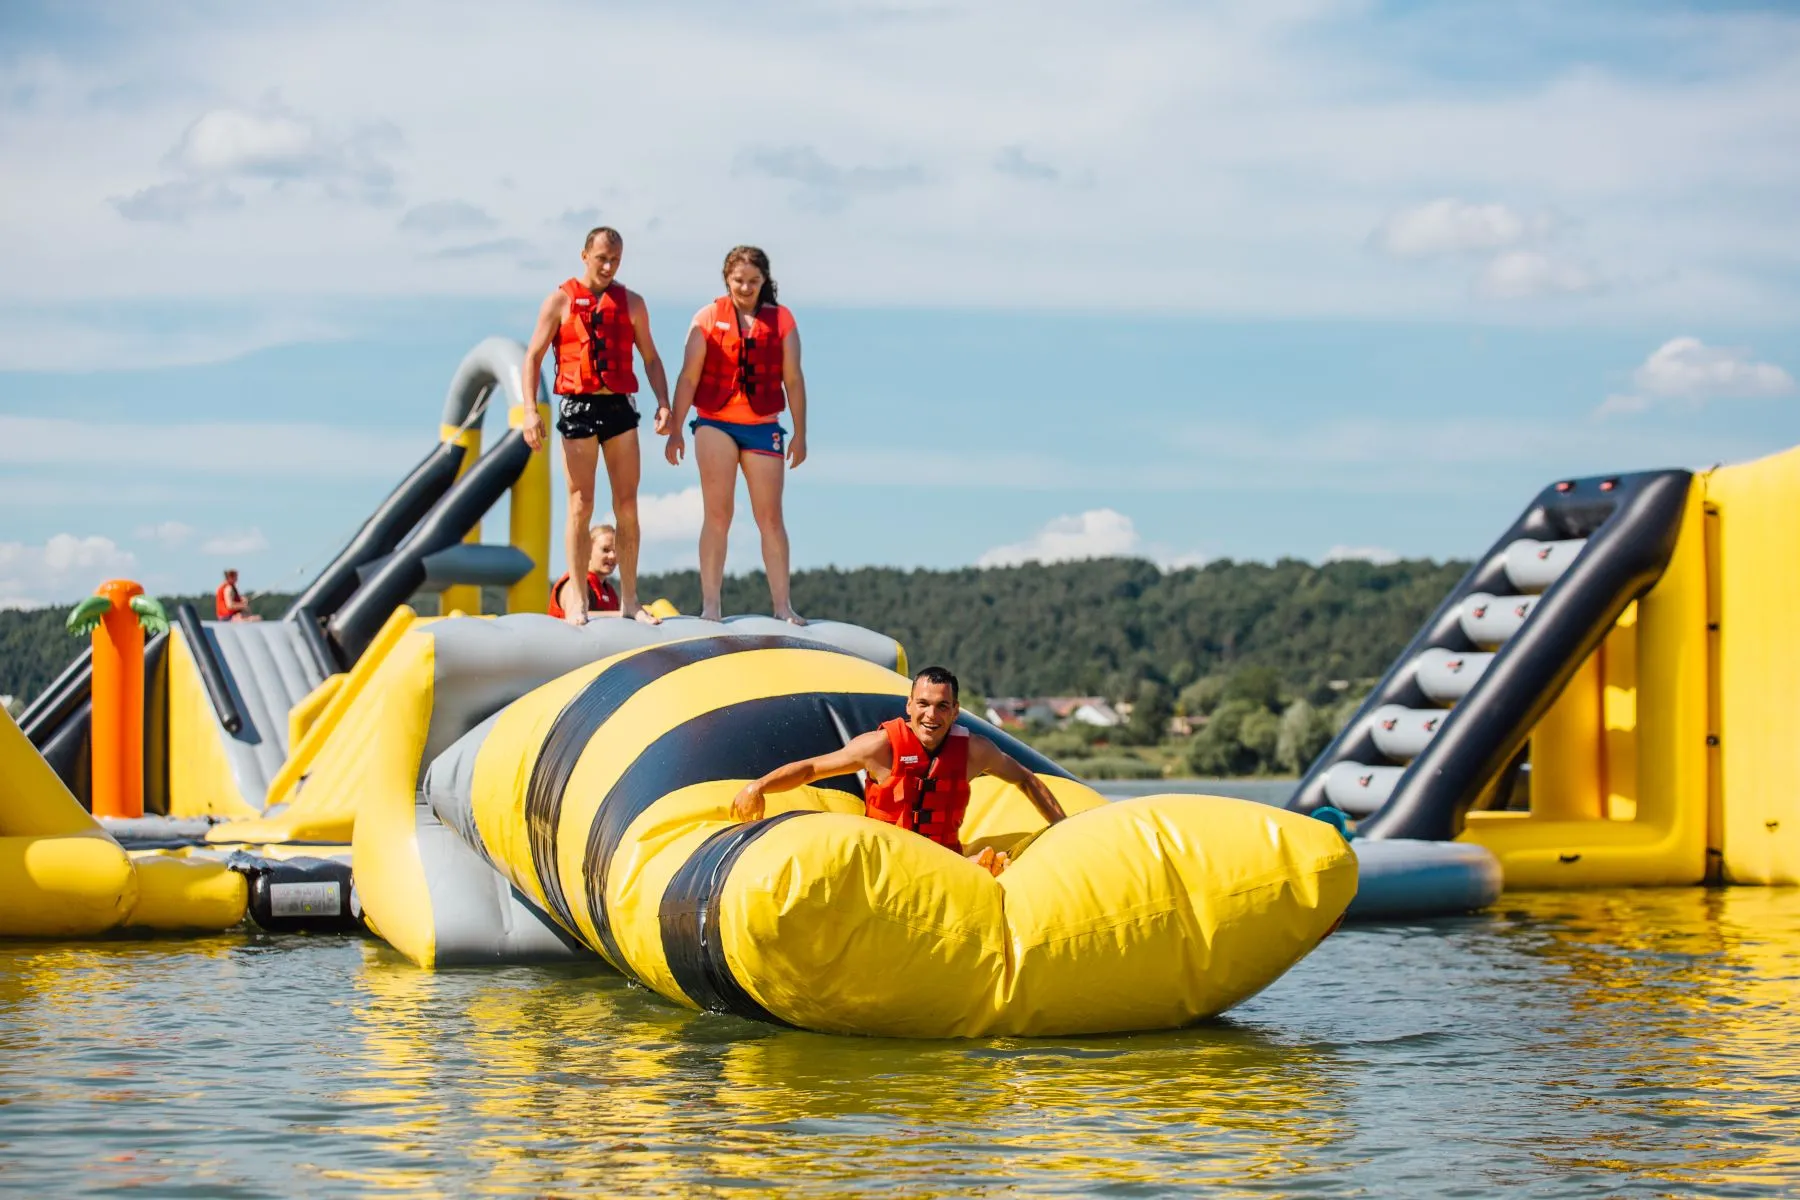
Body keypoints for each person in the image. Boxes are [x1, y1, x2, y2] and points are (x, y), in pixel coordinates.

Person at [730, 666, 1067, 876]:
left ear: (955, 711)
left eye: (942, 706)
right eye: (923, 704)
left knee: (987, 866)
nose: (931, 715)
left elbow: (1026, 778)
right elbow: (811, 769)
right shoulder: (880, 747)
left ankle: (972, 869)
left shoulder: (975, 751)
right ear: (909, 706)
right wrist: (758, 787)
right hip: (887, 864)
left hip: (945, 862)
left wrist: (1064, 829)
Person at [521, 226, 668, 626]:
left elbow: (651, 358)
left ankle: (631, 600)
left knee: (627, 505)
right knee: (580, 504)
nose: (608, 266)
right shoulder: (560, 300)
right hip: (578, 407)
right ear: (585, 255)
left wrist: (664, 403)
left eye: (615, 260)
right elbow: (533, 356)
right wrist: (530, 411)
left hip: (619, 406)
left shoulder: (632, 303)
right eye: (601, 258)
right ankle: (578, 602)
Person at [664, 245, 809, 624]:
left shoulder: (782, 321)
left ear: (764, 281)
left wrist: (800, 433)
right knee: (718, 514)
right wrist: (676, 429)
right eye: (738, 281)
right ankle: (711, 606)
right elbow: (688, 377)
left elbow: (793, 380)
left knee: (770, 518)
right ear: (727, 279)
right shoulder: (708, 317)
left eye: (753, 281)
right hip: (715, 423)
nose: (746, 288)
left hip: (763, 426)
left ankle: (783, 607)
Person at [548, 522, 623, 620]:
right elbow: (575, 617)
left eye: (616, 551)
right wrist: (621, 614)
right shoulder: (574, 584)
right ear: (587, 550)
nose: (612, 556)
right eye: (605, 550)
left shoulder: (610, 592)